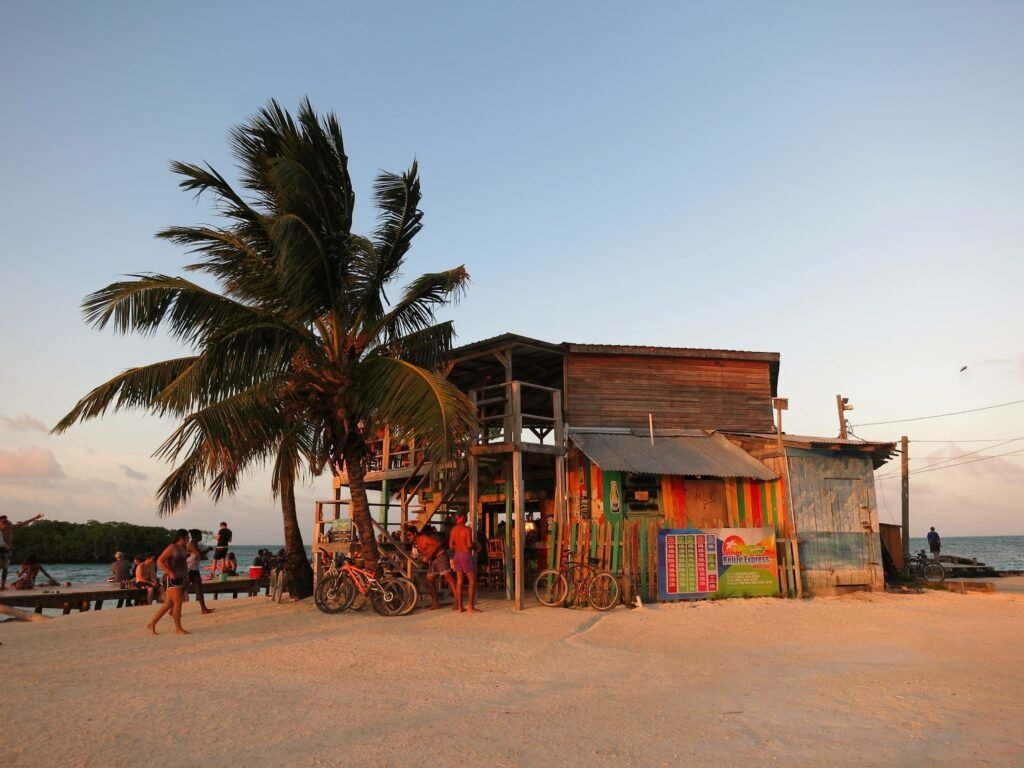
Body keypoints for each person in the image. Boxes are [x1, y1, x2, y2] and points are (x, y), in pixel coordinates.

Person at [147, 529, 190, 636]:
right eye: (187, 537)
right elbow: (159, 561)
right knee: (178, 602)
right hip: (171, 578)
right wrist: (170, 573)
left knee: (168, 604)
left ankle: (152, 624)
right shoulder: (172, 547)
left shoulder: (184, 547)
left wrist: (186, 574)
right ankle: (178, 629)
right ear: (182, 537)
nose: (188, 539)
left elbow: (184, 562)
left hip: (181, 577)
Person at [415, 525, 457, 611]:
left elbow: (438, 544)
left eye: (409, 535)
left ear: (414, 534)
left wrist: (429, 555)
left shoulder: (424, 538)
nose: (408, 537)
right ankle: (435, 602)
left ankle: (457, 600)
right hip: (433, 560)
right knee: (429, 580)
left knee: (448, 577)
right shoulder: (418, 543)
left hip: (440, 556)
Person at [0, 513, 44, 590]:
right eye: (3, 522)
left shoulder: (10, 527)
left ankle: (2, 586)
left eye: (6, 521)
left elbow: (24, 523)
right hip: (1, 550)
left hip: (8, 551)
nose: (6, 523)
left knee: (5, 569)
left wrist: (35, 518)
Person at [449, 513, 481, 614]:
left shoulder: (453, 530)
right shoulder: (467, 529)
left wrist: (458, 546)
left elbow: (450, 545)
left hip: (457, 556)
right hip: (466, 555)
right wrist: (476, 546)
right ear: (463, 518)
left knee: (459, 581)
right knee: (472, 581)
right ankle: (471, 607)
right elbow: (469, 544)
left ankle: (460, 607)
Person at [186, 530, 214, 615]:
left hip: (195, 569)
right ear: (195, 536)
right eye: (200, 535)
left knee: (199, 590)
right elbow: (199, 555)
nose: (201, 537)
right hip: (188, 570)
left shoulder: (195, 544)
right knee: (181, 590)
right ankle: (172, 609)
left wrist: (207, 550)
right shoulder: (191, 545)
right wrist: (207, 550)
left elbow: (200, 554)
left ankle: (204, 609)